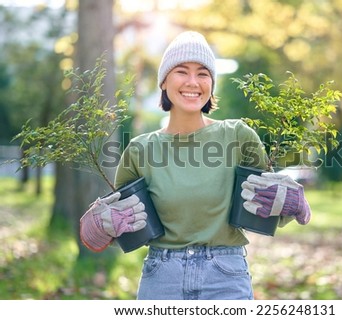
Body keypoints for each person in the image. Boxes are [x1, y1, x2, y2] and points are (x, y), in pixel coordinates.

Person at [79, 30, 311, 300]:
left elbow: (267, 204)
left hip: (225, 276)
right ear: (164, 81)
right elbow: (121, 227)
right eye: (181, 71)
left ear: (211, 83)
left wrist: (292, 203)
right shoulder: (140, 150)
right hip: (162, 278)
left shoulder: (237, 135)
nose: (193, 82)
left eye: (203, 73)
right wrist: (98, 225)